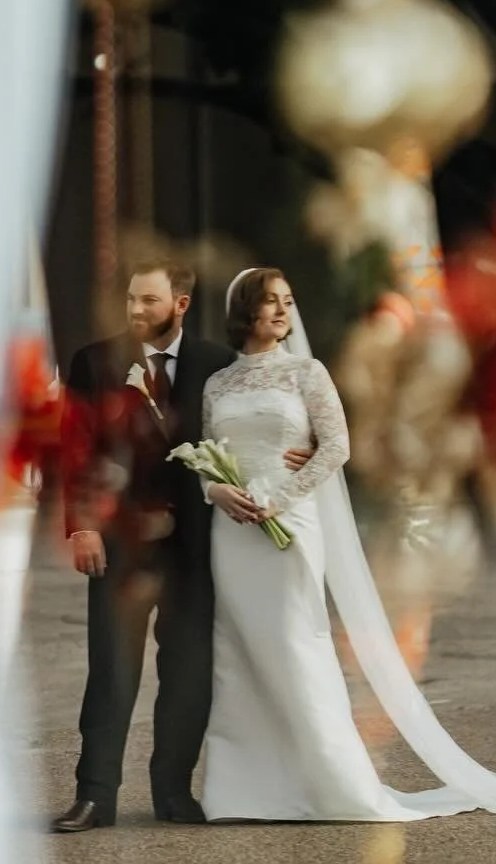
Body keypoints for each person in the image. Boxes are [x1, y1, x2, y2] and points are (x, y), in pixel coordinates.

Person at [199, 268, 496, 823]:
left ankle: (332, 784)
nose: (283, 312)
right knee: (238, 650)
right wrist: (217, 490)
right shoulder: (218, 385)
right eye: (271, 303)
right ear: (245, 311)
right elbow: (207, 454)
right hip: (232, 530)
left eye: (289, 301)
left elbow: (336, 448)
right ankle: (242, 791)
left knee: (295, 642)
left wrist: (279, 498)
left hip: (288, 525)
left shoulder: (306, 374)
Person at [51, 259, 311, 832]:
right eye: (130, 299)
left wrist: (301, 446)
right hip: (119, 541)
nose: (135, 311)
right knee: (112, 671)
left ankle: (173, 792)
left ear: (181, 304)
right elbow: (76, 447)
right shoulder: (93, 362)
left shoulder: (218, 365)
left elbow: (256, 427)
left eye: (148, 300)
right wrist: (83, 525)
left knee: (189, 674)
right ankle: (95, 796)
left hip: (198, 544)